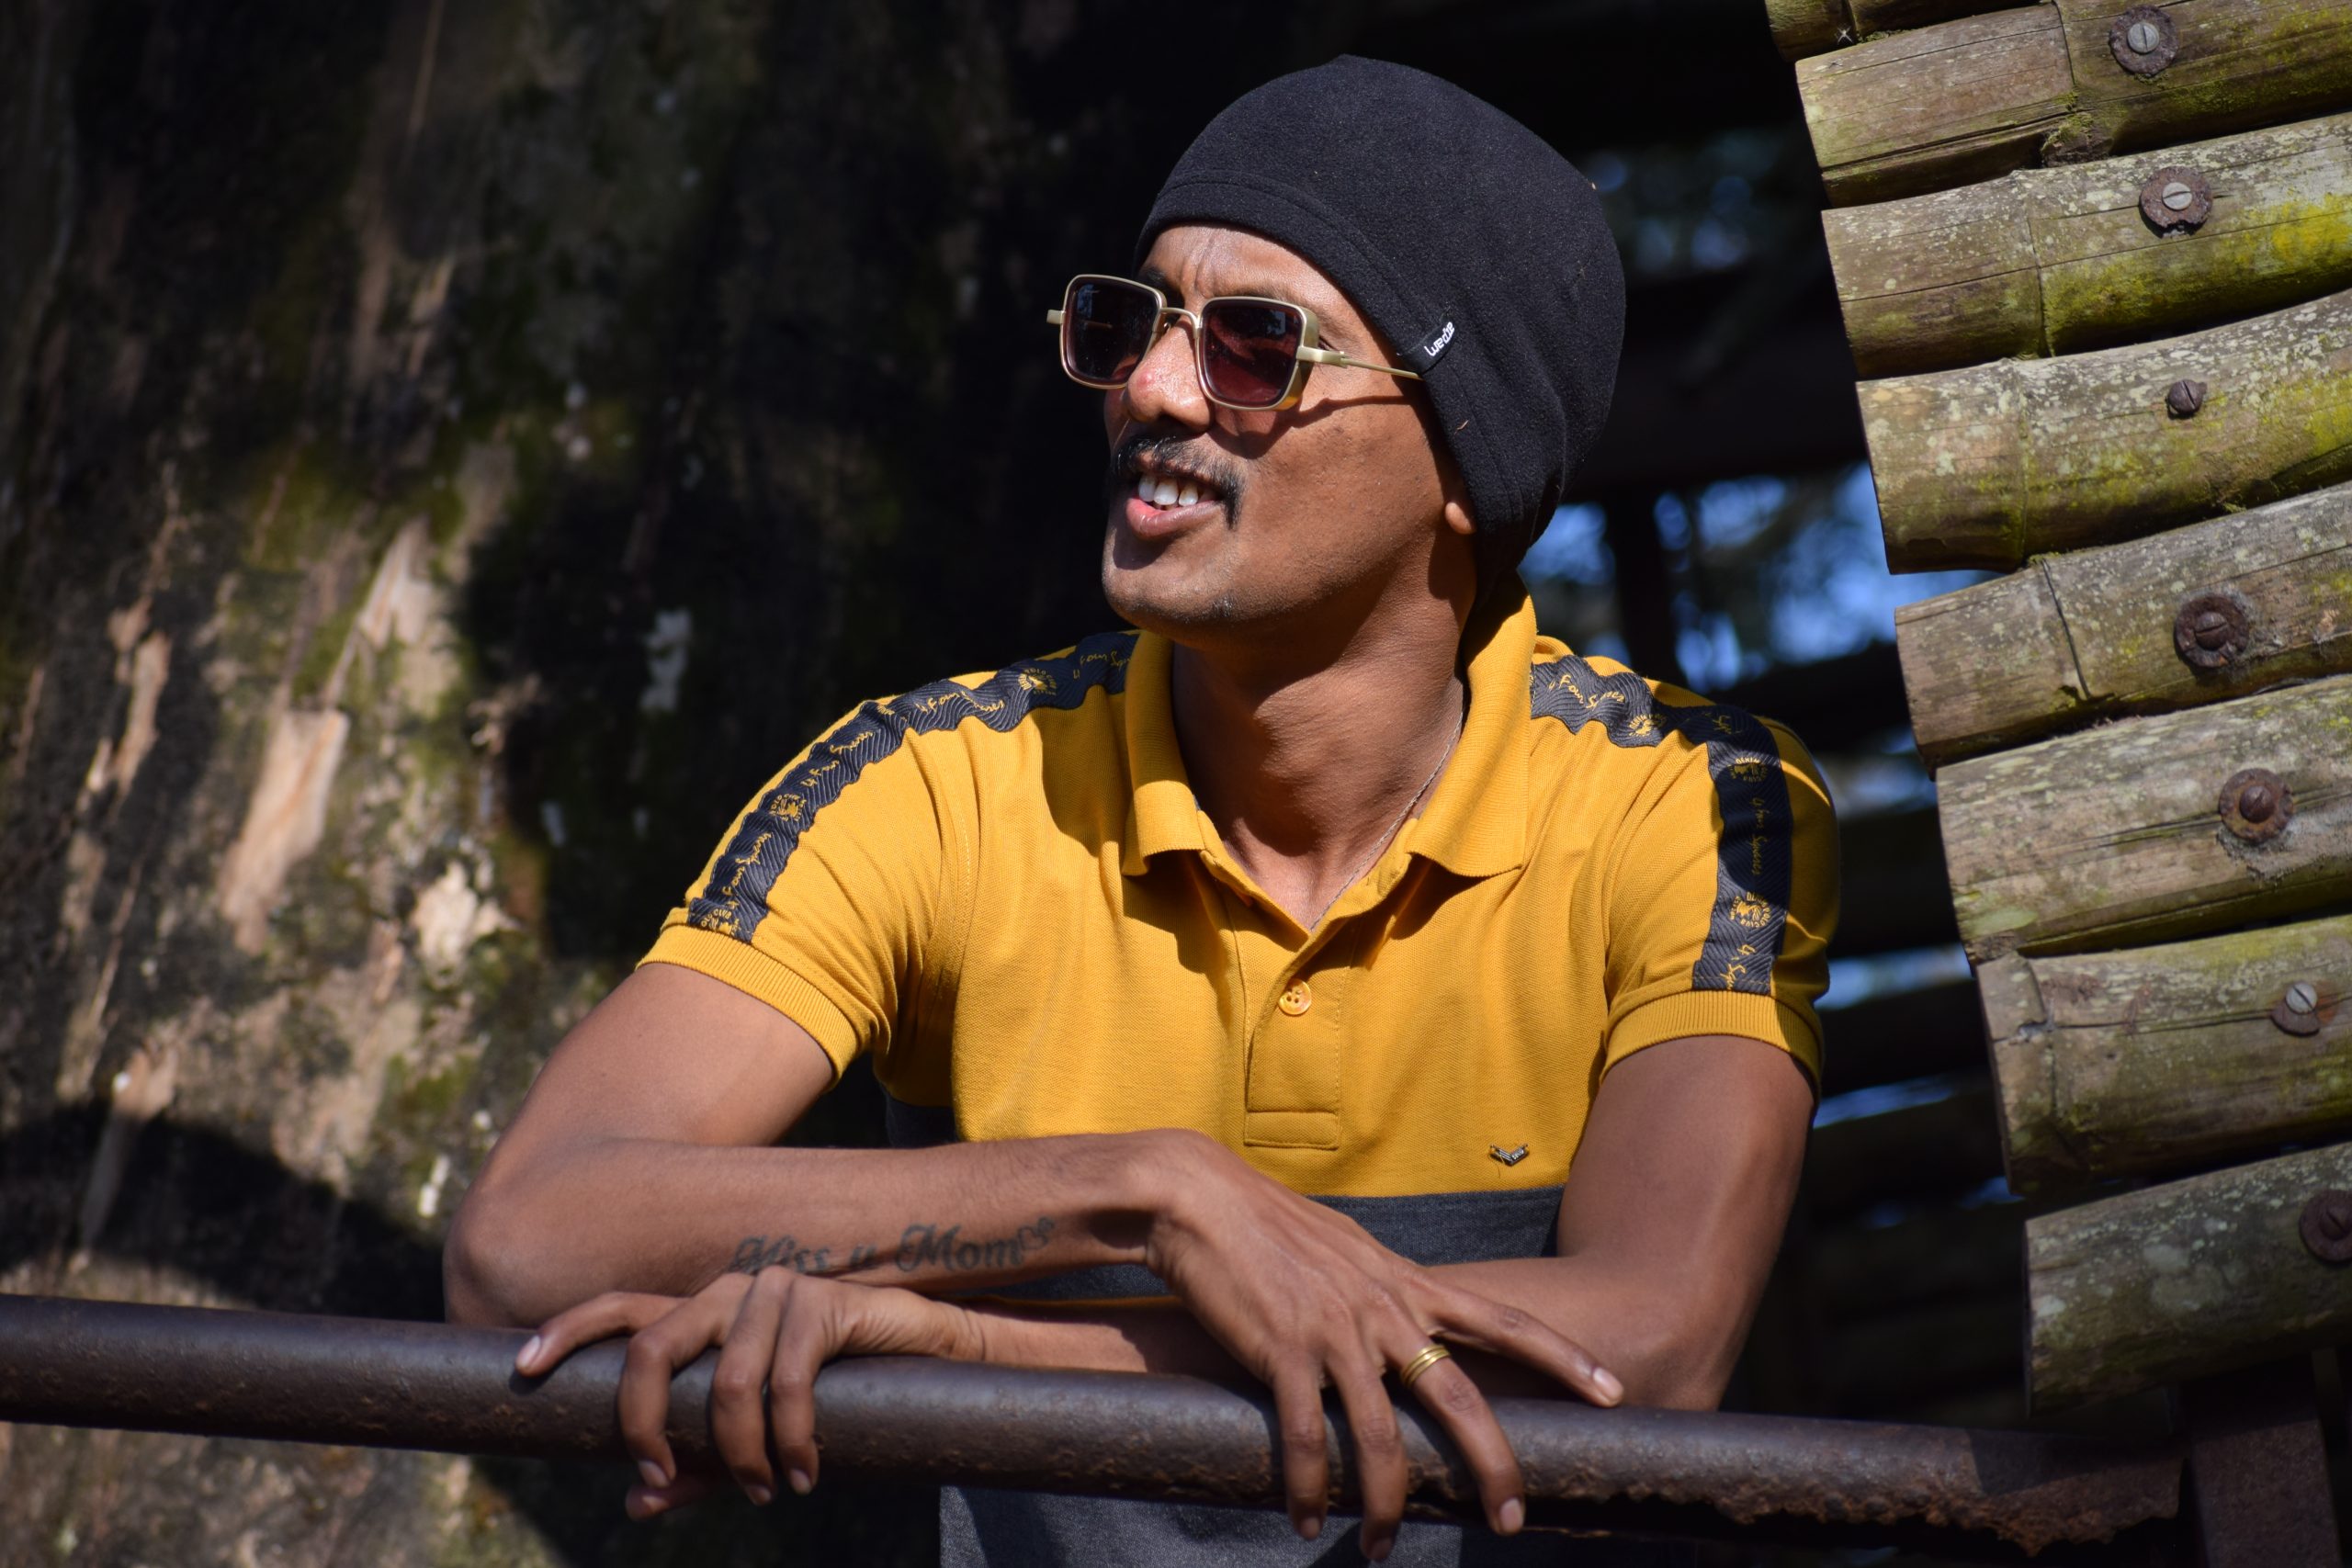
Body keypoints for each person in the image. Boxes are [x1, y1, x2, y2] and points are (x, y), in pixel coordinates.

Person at [445, 55, 1836, 1568]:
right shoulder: (931, 781)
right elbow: (524, 1243)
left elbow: (1651, 1351)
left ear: (1469, 462)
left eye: (1258, 349)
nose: (1153, 389)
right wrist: (1142, 1192)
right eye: (1137, 321)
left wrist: (966, 1362)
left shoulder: (1692, 802)